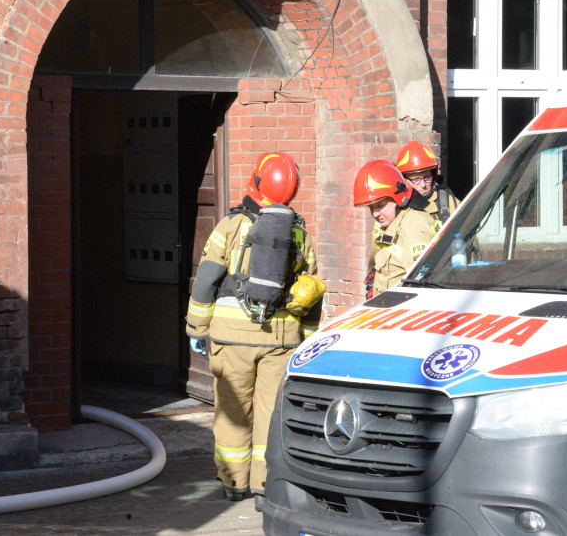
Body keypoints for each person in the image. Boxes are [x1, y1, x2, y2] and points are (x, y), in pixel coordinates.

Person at [184, 152, 323, 508]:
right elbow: (311, 289)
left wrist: (196, 327)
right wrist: (305, 336)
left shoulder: (230, 227)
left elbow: (207, 281)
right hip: (281, 340)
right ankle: (266, 484)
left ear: (257, 182)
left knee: (233, 410)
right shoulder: (298, 233)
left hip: (232, 339)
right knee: (271, 413)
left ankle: (234, 484)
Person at [354, 159, 437, 298]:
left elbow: (422, 284)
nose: (375, 213)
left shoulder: (413, 225)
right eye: (371, 207)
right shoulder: (391, 223)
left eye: (380, 205)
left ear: (398, 198)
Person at [395, 140, 460, 225]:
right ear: (403, 179)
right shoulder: (394, 205)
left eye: (427, 177)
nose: (423, 185)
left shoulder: (446, 200)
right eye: (416, 179)